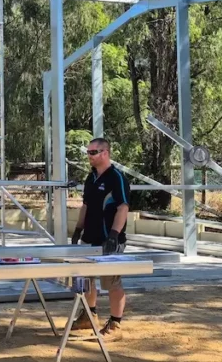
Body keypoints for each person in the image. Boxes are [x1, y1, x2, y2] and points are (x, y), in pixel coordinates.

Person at [70, 137, 133, 340]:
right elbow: (86, 206)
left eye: (93, 152)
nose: (89, 156)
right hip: (90, 239)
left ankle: (115, 324)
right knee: (86, 281)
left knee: (111, 282)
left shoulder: (117, 178)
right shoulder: (91, 178)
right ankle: (90, 315)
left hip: (109, 240)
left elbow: (123, 207)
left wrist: (114, 235)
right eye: (88, 152)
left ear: (105, 153)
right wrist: (78, 229)